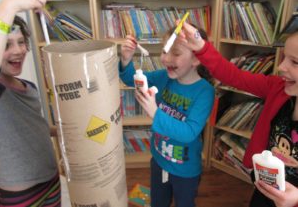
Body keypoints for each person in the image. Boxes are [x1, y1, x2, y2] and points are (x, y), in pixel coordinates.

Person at [177, 21, 298, 207]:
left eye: (295, 62)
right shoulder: (277, 87)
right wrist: (201, 46)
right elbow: (233, 76)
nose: (281, 66)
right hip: (265, 186)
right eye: (284, 58)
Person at [119, 27, 215, 207]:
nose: (166, 58)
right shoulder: (164, 76)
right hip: (158, 160)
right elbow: (134, 79)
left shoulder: (205, 92)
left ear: (196, 58)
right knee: (158, 202)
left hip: (185, 170)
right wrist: (126, 59)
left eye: (176, 53)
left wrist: (155, 112)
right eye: (165, 51)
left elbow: (189, 132)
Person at [0, 0, 61, 206]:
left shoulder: (29, 87)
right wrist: (8, 6)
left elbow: (36, 128)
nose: (18, 50)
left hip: (51, 180)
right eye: (7, 44)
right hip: (20, 194)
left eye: (22, 42)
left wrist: (60, 132)